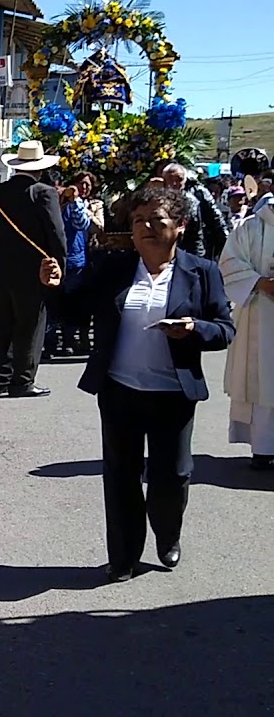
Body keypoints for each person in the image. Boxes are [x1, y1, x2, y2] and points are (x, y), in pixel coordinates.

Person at [44, 185, 234, 582]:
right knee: (120, 476)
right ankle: (124, 556)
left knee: (171, 475)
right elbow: (74, 314)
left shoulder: (201, 272)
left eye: (156, 220)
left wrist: (193, 328)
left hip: (173, 394)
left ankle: (167, 535)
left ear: (179, 226)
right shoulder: (114, 267)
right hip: (119, 391)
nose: (146, 227)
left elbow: (224, 330)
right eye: (137, 221)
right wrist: (54, 286)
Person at [0, 140, 68, 397]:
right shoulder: (44, 192)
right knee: (29, 327)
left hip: (0, 270)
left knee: (2, 327)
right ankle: (22, 381)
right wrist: (58, 267)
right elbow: (56, 233)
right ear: (40, 169)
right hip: (33, 271)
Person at [219, 195, 274, 471]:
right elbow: (229, 262)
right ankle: (264, 448)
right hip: (260, 311)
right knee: (262, 377)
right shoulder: (252, 227)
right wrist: (261, 282)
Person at [56, 173, 94, 355]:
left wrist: (76, 201)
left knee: (72, 303)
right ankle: (49, 343)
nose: (84, 188)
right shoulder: (54, 201)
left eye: (87, 185)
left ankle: (68, 341)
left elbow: (82, 224)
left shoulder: (78, 204)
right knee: (54, 303)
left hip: (75, 260)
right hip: (55, 258)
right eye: (80, 184)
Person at [158, 162, 227, 260]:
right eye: (170, 179)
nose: (175, 184)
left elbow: (199, 234)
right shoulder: (156, 199)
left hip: (189, 253)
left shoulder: (193, 199)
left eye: (179, 179)